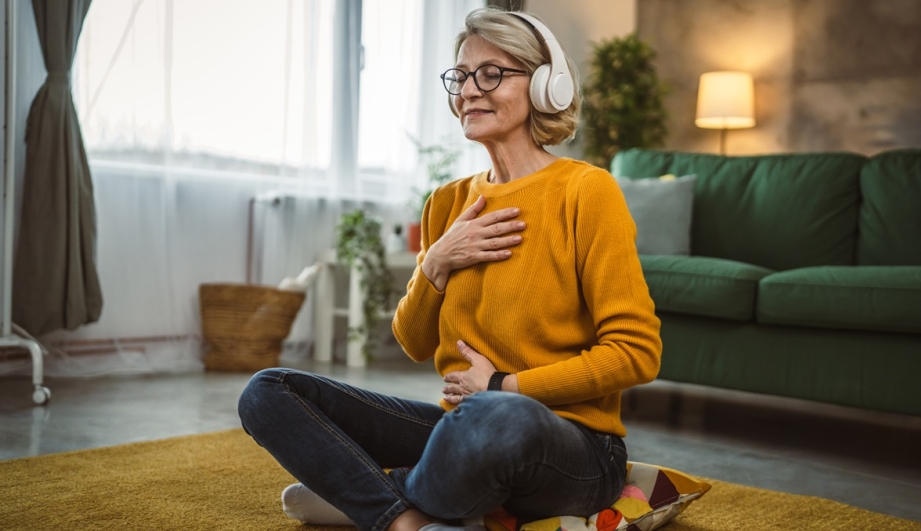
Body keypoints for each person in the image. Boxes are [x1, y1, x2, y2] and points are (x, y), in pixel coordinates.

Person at [237, 8, 662, 531]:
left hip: (571, 444)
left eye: (491, 74)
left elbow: (637, 353)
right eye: (461, 76)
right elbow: (413, 342)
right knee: (267, 390)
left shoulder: (585, 190)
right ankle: (402, 519)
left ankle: (366, 497)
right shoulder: (446, 203)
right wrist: (436, 261)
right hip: (462, 429)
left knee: (498, 417)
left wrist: (503, 385)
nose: (468, 91)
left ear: (545, 85)